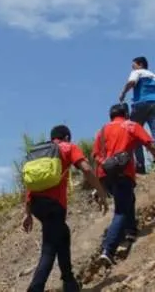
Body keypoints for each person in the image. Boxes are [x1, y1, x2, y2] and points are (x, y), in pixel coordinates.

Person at [21, 124, 108, 292]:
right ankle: (35, 288)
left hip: (37, 205)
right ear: (67, 137)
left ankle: (70, 283)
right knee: (49, 249)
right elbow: (87, 169)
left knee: (63, 233)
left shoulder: (40, 153)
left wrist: (27, 212)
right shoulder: (68, 147)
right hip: (54, 205)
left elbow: (29, 184)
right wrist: (101, 191)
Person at [93, 103, 155, 267]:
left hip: (105, 175)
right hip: (122, 174)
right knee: (121, 210)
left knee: (129, 199)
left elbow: (95, 156)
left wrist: (99, 182)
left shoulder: (101, 131)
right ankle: (108, 250)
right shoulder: (131, 125)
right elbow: (151, 146)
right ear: (126, 114)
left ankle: (130, 231)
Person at [117, 56, 155, 175]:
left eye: (133, 65)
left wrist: (123, 93)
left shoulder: (137, 72)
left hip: (141, 104)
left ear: (140, 64)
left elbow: (132, 82)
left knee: (135, 134)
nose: (132, 67)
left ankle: (140, 165)